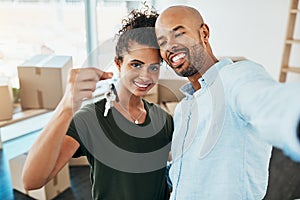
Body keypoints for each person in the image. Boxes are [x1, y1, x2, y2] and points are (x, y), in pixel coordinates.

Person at [22, 6, 173, 200]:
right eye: (136, 64)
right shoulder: (91, 118)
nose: (145, 76)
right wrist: (67, 106)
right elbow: (31, 180)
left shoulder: (164, 119)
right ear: (118, 63)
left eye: (154, 67)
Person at [153, 5, 300, 200]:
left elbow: (269, 102)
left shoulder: (235, 78)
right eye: (162, 42)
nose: (170, 46)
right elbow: (182, 174)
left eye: (179, 34)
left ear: (203, 33)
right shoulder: (183, 110)